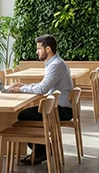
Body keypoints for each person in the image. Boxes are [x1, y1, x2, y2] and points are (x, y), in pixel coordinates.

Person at [7, 34, 74, 165]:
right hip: (59, 107)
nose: (37, 51)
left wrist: (21, 89)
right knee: (27, 113)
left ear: (47, 49)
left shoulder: (55, 65)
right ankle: (42, 150)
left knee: (23, 115)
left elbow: (42, 89)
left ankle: (42, 150)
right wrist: (24, 86)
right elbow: (44, 85)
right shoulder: (55, 63)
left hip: (61, 110)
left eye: (39, 49)